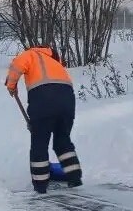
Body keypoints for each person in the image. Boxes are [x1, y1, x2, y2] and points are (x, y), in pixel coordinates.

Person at [5, 44, 83, 193]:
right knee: (62, 140)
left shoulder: (30, 54)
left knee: (39, 142)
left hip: (43, 99)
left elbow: (17, 66)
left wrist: (11, 85)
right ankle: (74, 178)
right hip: (67, 100)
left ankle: (40, 186)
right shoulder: (54, 60)